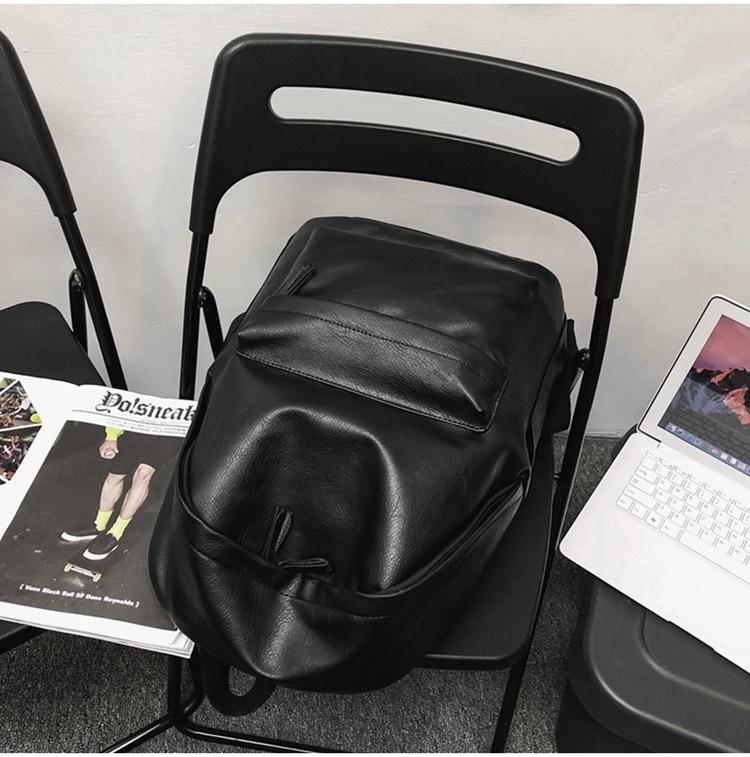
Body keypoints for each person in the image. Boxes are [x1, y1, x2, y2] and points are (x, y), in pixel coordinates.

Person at [60, 427, 167, 561]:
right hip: (140, 428)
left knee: (142, 474)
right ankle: (99, 525)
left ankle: (116, 532)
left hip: (170, 434)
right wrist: (111, 437)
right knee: (115, 474)